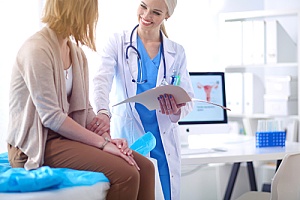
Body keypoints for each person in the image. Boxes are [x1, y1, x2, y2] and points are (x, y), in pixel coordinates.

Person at [6, 0, 155, 199]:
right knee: (127, 174)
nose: (93, 18)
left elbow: (84, 109)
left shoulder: (76, 53)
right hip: (36, 144)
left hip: (62, 138)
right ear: (78, 11)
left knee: (145, 168)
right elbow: (51, 117)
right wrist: (102, 145)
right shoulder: (37, 50)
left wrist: (108, 139)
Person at [93, 0, 194, 199]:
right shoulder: (118, 42)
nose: (146, 15)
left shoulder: (176, 51)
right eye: (143, 6)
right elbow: (101, 80)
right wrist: (102, 111)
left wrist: (176, 110)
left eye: (156, 12)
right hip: (131, 139)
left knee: (165, 193)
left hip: (163, 144)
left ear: (167, 16)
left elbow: (188, 98)